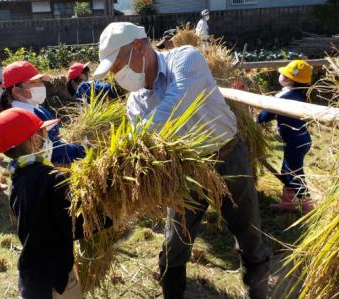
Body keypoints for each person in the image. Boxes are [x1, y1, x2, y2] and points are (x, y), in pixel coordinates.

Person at [93, 22, 271, 299]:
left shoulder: (186, 58)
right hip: (186, 172)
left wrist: (129, 144)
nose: (117, 75)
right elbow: (151, 149)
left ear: (139, 47)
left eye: (117, 66)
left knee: (249, 233)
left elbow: (177, 104)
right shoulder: (135, 102)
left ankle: (258, 292)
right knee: (174, 244)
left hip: (227, 156)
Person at [0, 108, 88, 298]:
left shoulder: (18, 177)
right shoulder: (52, 179)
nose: (48, 137)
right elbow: (78, 225)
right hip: (53, 282)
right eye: (44, 133)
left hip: (31, 276)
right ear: (35, 141)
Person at [0, 61, 85, 166]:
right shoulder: (20, 118)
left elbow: (53, 138)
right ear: (17, 91)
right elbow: (47, 150)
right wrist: (81, 150)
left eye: (40, 81)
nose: (41, 86)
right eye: (33, 82)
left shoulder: (36, 107)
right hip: (48, 169)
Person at [257, 60, 314, 213]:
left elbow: (267, 113)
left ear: (289, 79)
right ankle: (288, 204)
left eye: (283, 74)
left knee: (293, 173)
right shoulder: (299, 94)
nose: (279, 74)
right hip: (301, 139)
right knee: (288, 170)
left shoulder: (285, 97)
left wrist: (257, 120)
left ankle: (307, 205)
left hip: (294, 142)